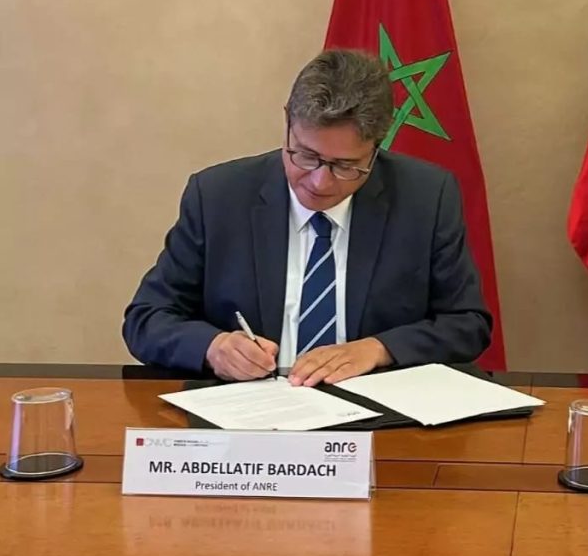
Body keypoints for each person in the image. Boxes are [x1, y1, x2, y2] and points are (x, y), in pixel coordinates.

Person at [123, 49, 492, 385]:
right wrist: (213, 346)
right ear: (288, 121)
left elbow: (467, 324)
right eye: (305, 156)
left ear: (377, 147)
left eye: (345, 165)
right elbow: (147, 317)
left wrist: (379, 349)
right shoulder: (218, 196)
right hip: (249, 411)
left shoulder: (426, 198)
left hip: (377, 412)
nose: (320, 182)